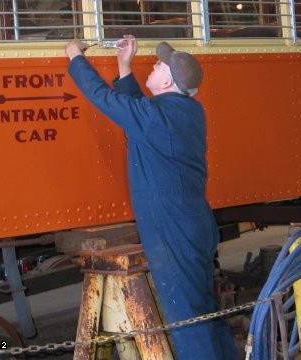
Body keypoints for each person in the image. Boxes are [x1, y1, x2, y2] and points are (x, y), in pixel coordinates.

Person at [65, 35, 238, 359]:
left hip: (173, 229)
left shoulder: (156, 117)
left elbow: (103, 97)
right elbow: (140, 113)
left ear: (168, 81)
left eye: (159, 65)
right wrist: (124, 64)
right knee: (207, 313)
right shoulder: (187, 110)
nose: (155, 64)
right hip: (195, 224)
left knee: (189, 322)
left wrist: (75, 57)